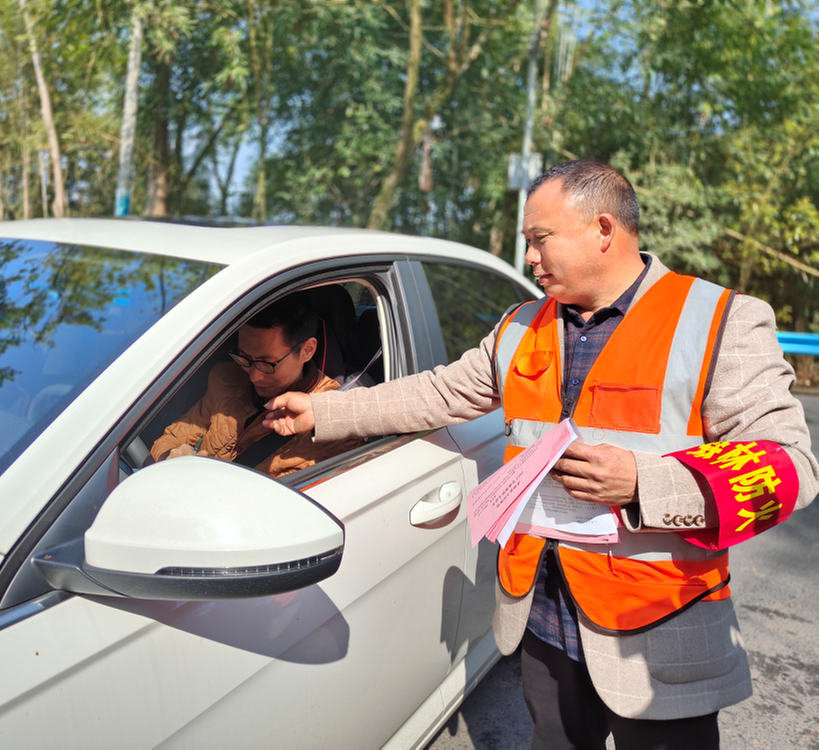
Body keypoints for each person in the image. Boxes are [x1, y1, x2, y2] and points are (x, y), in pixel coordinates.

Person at [263, 161, 819, 749]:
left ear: (603, 229)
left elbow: (789, 466)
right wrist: (323, 411)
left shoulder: (719, 321)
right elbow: (439, 392)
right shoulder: (521, 325)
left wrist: (642, 482)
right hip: (544, 613)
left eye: (539, 239)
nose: (529, 257)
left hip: (658, 620)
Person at [150, 290, 362, 479]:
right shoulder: (226, 379)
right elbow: (175, 436)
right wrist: (171, 457)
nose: (254, 377)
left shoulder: (335, 424)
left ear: (307, 350)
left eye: (266, 363)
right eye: (244, 358)